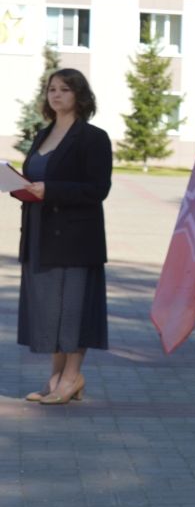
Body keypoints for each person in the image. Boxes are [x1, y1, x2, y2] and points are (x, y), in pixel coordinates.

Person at [18, 68, 111, 404]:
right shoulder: (43, 135)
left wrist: (51, 190)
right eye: (51, 89)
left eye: (64, 90)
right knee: (49, 309)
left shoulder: (93, 137)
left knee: (73, 310)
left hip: (75, 237)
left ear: (79, 96)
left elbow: (99, 189)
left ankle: (72, 377)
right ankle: (56, 378)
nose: (56, 95)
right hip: (40, 232)